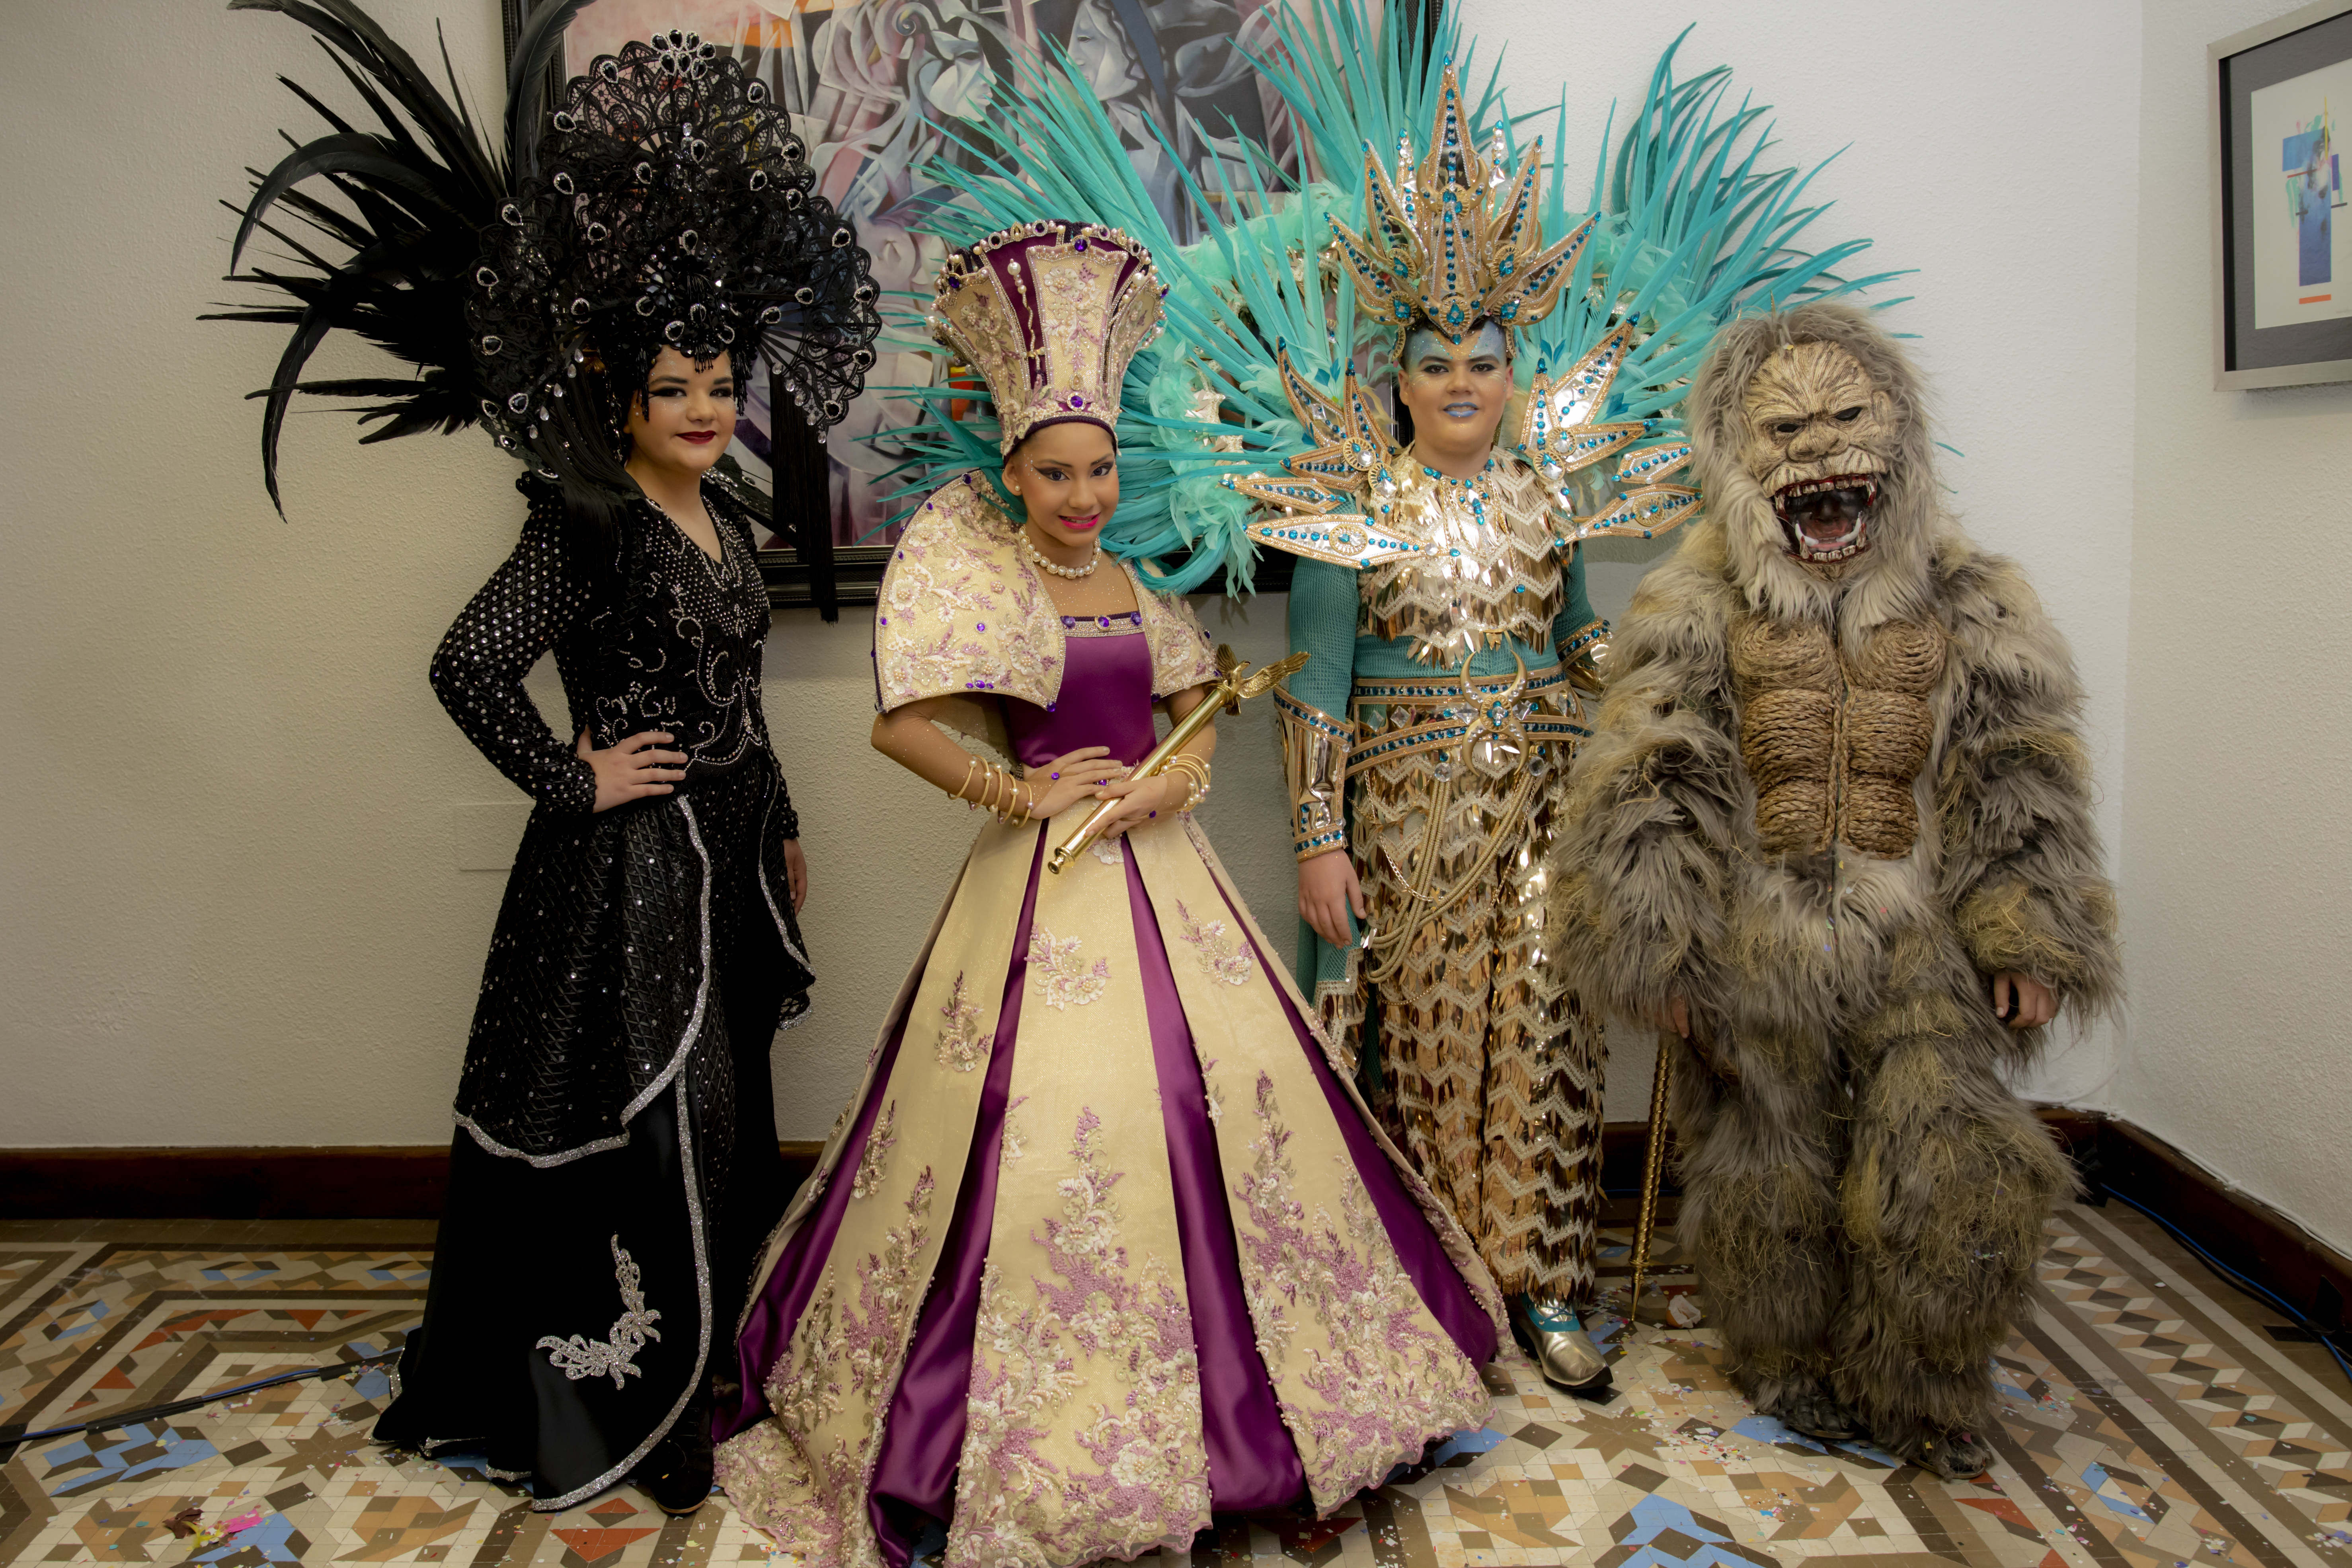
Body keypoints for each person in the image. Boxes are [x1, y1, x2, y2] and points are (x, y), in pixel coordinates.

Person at [712, 221, 1502, 1568]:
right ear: (1012, 473)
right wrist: (1020, 793)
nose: (1082, 493)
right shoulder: (985, 573)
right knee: (1023, 1119)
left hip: (1169, 883)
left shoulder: (1139, 585)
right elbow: (898, 725)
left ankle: (1266, 1400)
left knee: (1219, 1103)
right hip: (1034, 893)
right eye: (1057, 473)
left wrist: (1164, 787)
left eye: (1098, 470)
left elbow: (1200, 717)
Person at [214, 15, 880, 1511]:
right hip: (623, 876)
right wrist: (577, 777)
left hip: (716, 859)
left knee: (725, 1113)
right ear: (619, 400)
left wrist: (774, 821)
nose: (708, 410)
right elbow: (464, 663)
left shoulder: (724, 520)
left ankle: (705, 1351)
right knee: (665, 1119)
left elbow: (742, 698)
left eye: (720, 383)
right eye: (676, 390)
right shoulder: (585, 522)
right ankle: (636, 1371)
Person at [1554, 302, 2121, 1476]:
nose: (1819, 449)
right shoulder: (1692, 605)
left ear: (1901, 440)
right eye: (1786, 427)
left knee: (1954, 1160)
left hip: (1924, 939)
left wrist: (2029, 936)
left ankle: (1923, 1372)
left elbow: (2021, 775)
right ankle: (1790, 1358)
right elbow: (1649, 776)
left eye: (1850, 418)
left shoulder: (1974, 603)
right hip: (1759, 949)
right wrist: (1659, 948)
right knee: (1772, 1165)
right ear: (1736, 454)